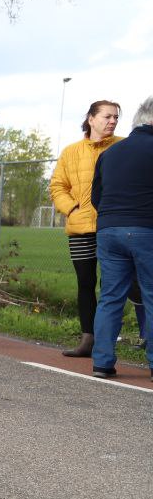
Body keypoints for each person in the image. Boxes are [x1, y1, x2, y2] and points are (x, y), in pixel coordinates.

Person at [49, 100, 123, 357]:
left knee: (114, 285)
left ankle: (108, 342)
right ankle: (87, 340)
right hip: (81, 227)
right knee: (85, 283)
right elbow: (58, 186)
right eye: (107, 116)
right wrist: (72, 209)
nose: (112, 121)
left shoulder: (123, 146)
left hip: (113, 226)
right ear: (91, 119)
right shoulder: (71, 152)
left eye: (116, 117)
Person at [90, 95, 153, 380]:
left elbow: (96, 197)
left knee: (110, 297)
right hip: (145, 230)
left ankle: (102, 362)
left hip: (109, 229)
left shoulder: (110, 153)